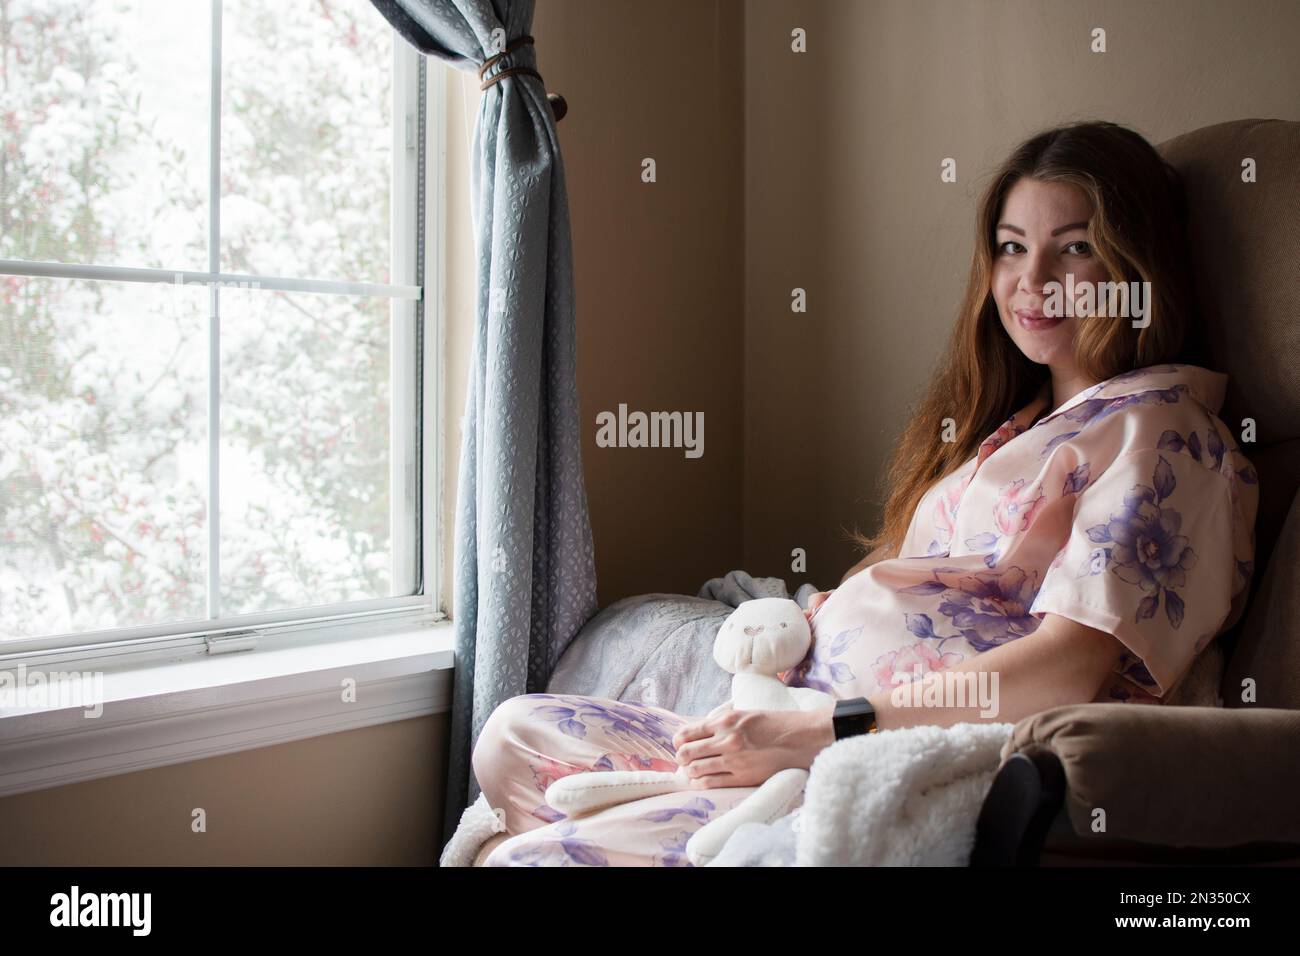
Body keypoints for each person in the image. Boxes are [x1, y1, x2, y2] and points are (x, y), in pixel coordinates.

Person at [468, 120, 1259, 867]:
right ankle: (655, 818)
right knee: (512, 735)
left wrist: (828, 732)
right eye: (1012, 248)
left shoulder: (1160, 435)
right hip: (802, 711)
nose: (1031, 281)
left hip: (872, 743)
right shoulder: (1013, 427)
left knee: (524, 856)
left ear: (1134, 267)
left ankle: (657, 829)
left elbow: (1066, 672)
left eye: (1074, 249)